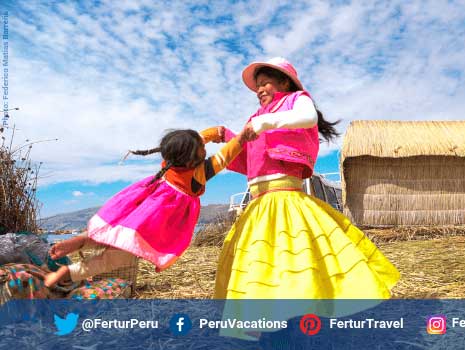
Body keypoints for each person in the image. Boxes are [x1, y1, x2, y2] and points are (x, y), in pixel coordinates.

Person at [213, 57, 400, 326]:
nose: (260, 90)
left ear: (284, 82)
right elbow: (249, 160)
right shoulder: (255, 118)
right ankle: (273, 328)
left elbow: (307, 117)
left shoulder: (296, 100)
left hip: (284, 200)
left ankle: (294, 328)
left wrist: (266, 123)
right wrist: (230, 137)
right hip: (258, 205)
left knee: (290, 262)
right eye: (257, 86)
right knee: (264, 266)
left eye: (265, 83)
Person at [44, 127, 255, 287]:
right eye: (203, 148)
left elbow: (192, 141)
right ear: (196, 156)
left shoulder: (170, 162)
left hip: (141, 207)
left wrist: (214, 133)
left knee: (115, 233)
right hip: (155, 221)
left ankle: (84, 240)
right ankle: (69, 273)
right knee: (118, 257)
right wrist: (241, 138)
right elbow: (224, 156)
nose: (205, 147)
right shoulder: (199, 173)